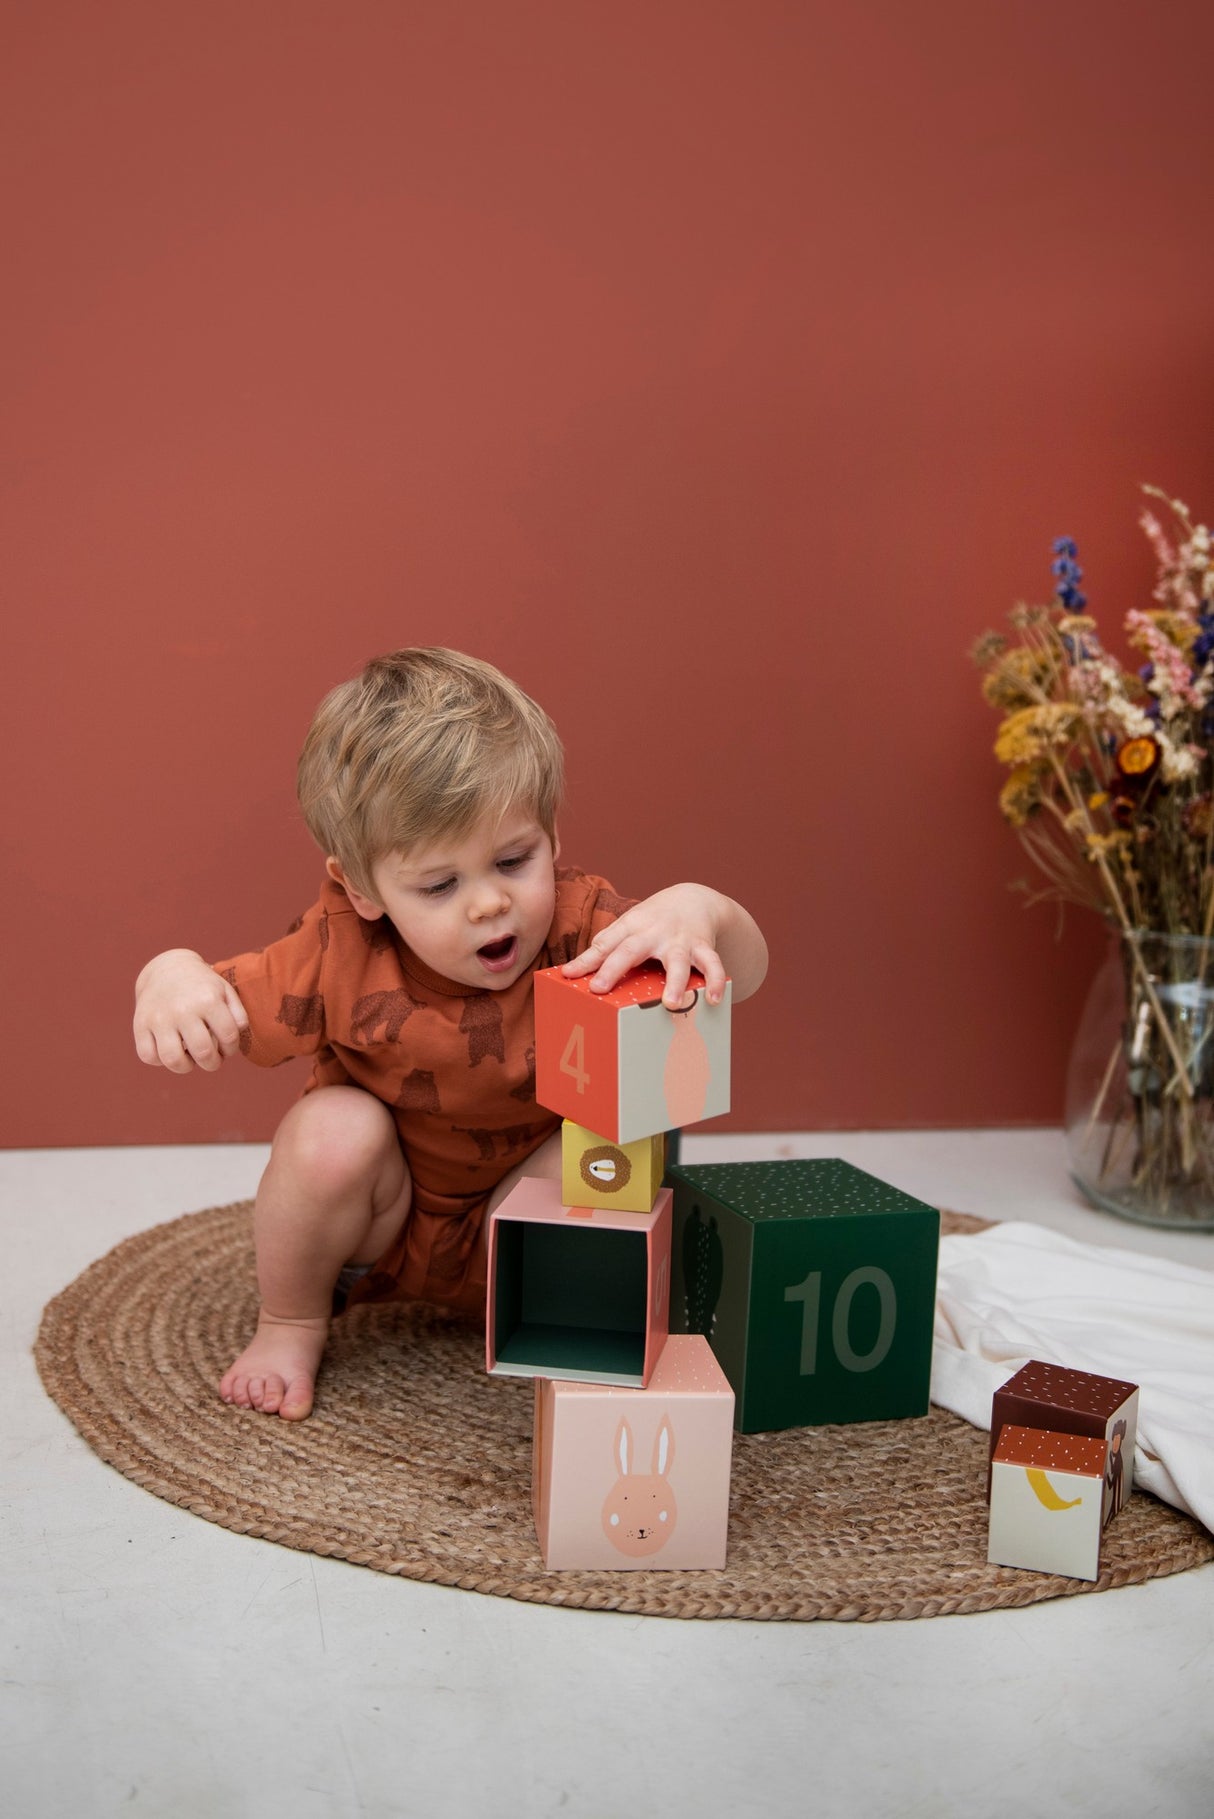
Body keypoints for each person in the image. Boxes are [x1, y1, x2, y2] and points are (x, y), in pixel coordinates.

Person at [133, 648, 768, 1421]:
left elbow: (742, 972)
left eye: (513, 859)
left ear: (553, 836)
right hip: (385, 1229)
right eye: (440, 884)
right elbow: (223, 999)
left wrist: (702, 910)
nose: (489, 904)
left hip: (533, 1232)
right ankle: (291, 1321)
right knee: (330, 1130)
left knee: (619, 1132)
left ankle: (569, 1317)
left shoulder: (585, 929)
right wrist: (170, 974)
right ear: (361, 888)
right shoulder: (339, 947)